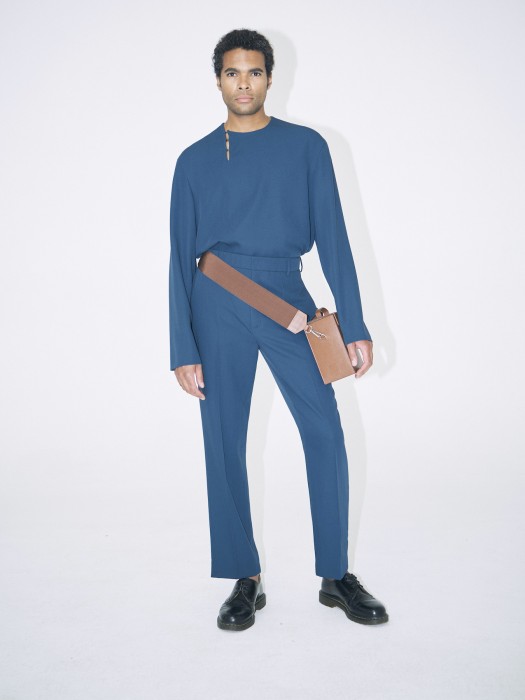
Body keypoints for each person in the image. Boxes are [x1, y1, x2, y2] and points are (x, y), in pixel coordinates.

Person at [169, 28, 388, 631]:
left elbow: (335, 239)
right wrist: (183, 346)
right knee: (224, 441)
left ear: (270, 77)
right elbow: (178, 257)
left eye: (255, 72)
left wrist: (355, 324)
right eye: (232, 73)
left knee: (325, 431)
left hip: (287, 296)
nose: (244, 83)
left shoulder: (306, 147)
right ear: (218, 80)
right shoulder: (192, 161)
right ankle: (244, 577)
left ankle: (336, 575)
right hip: (216, 302)